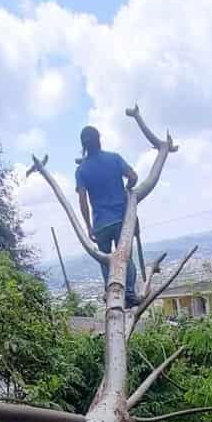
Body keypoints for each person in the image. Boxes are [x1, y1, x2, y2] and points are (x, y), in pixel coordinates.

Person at [75, 125, 139, 307]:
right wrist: (127, 190)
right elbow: (133, 177)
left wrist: (88, 226)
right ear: (99, 140)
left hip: (100, 224)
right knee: (126, 258)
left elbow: (82, 201)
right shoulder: (114, 158)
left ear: (84, 146)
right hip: (121, 220)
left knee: (105, 262)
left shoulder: (82, 170)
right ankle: (129, 293)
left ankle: (109, 290)